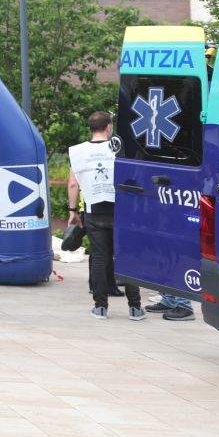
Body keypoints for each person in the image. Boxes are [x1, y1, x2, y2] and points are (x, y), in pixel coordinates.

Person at [67, 111, 142, 320]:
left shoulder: (78, 152)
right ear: (108, 126)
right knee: (126, 256)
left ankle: (101, 307)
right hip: (121, 210)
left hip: (94, 211)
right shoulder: (118, 148)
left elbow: (73, 183)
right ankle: (135, 308)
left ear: (91, 128)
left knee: (99, 258)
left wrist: (73, 211)